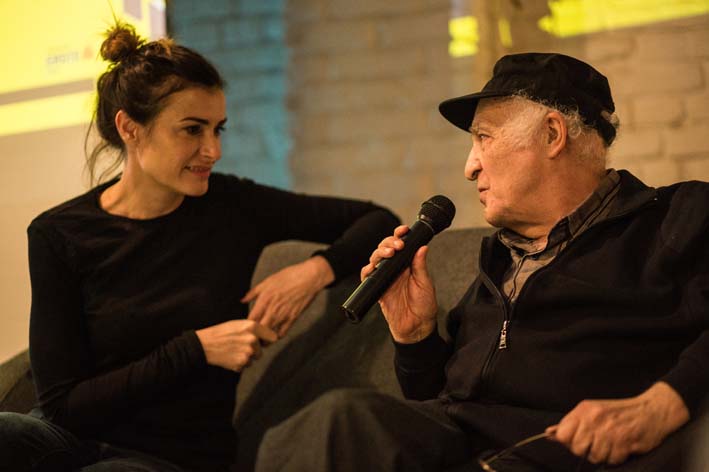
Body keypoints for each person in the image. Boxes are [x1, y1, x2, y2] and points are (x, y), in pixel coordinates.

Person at [253, 53, 709, 471]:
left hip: (559, 453)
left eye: (483, 138)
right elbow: (436, 404)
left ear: (552, 135)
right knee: (336, 421)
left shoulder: (677, 219)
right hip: (459, 451)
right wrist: (414, 337)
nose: (470, 167)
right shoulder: (498, 261)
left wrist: (665, 402)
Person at [0, 22, 399, 472]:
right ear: (130, 128)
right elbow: (61, 407)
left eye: (217, 130)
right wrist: (195, 350)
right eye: (192, 130)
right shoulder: (58, 234)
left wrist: (314, 271)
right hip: (70, 442)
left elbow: (379, 221)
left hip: (173, 459)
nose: (213, 150)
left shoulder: (233, 206)